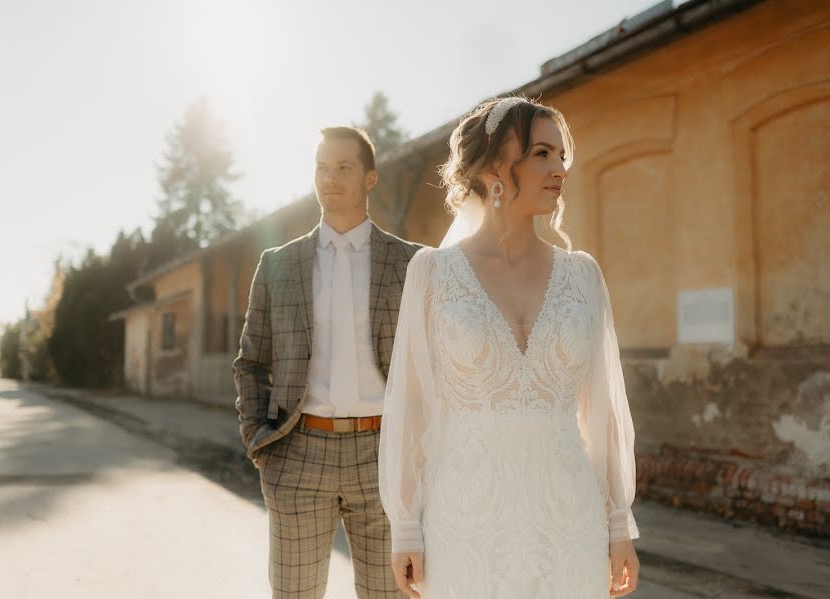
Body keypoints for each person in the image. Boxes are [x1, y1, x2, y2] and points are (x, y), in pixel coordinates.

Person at [378, 96, 641, 598]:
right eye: (542, 153)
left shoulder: (582, 276)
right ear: (496, 163)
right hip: (464, 520)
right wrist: (406, 526)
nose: (559, 168)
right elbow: (409, 408)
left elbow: (604, 413)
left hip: (569, 521)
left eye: (562, 156)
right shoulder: (432, 274)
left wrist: (618, 524)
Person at [234, 126, 422, 598]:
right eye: (321, 167)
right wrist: (259, 440)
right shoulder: (278, 264)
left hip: (385, 456)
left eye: (343, 168)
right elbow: (251, 360)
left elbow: (433, 364)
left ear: (370, 179)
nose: (329, 178)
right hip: (297, 453)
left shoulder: (413, 264)